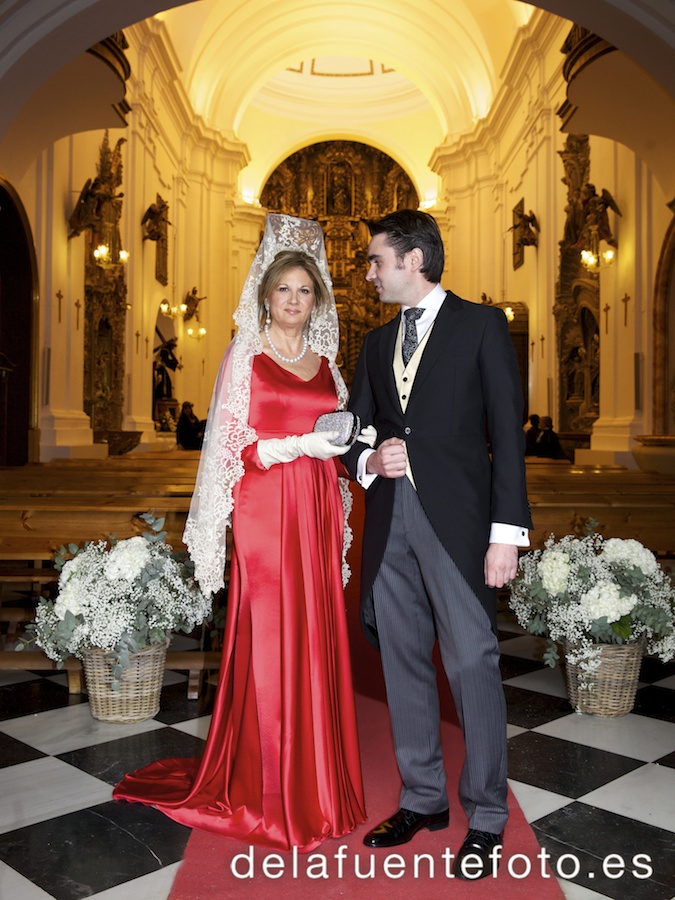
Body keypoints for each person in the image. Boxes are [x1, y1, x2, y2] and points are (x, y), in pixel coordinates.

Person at [114, 214, 366, 851]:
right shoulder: (245, 356)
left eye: (304, 292)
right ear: (265, 295)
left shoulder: (328, 365)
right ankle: (265, 786)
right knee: (268, 633)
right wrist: (293, 445)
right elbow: (230, 449)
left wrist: (346, 441)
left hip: (309, 508)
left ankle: (316, 780)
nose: (292, 301)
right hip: (262, 509)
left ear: (318, 301)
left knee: (314, 631)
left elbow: (335, 442)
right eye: (283, 289)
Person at [343, 210, 532, 879]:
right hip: (390, 521)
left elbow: (507, 437)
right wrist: (372, 460)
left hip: (458, 526)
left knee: (472, 662)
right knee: (402, 663)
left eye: (375, 261)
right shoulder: (371, 344)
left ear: (412, 259)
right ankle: (422, 798)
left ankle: (485, 814)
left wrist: (505, 535)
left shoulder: (482, 326)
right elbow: (354, 433)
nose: (368, 273)